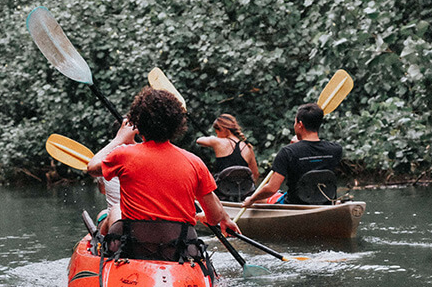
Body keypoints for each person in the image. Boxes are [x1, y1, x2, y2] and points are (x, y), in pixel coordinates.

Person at [87, 87, 239, 240]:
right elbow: (214, 218)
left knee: (115, 210)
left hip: (134, 247)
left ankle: (103, 248)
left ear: (138, 125)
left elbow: (92, 167)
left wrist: (118, 139)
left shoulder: (122, 155)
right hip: (178, 251)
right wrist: (214, 217)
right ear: (177, 124)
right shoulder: (194, 162)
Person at [242, 103, 342, 207]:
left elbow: (271, 189)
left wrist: (251, 199)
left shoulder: (287, 152)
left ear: (300, 124)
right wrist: (299, 145)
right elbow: (314, 157)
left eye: (295, 122)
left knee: (258, 200)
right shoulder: (336, 149)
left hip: (294, 205)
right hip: (326, 204)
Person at [196, 114, 260, 182]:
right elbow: (255, 175)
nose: (217, 134)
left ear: (223, 129)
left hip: (221, 190)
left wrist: (213, 138)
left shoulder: (217, 142)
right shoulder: (248, 147)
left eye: (216, 131)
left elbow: (199, 140)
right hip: (243, 190)